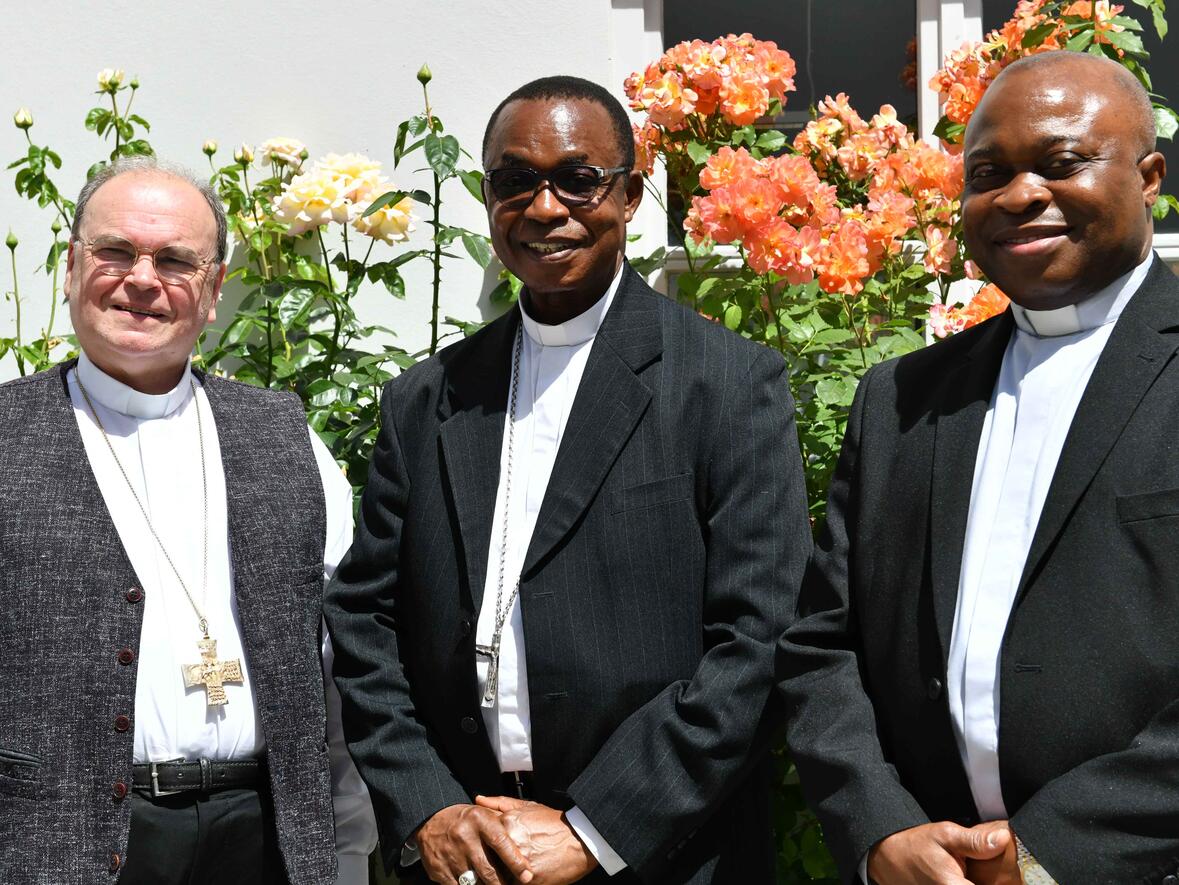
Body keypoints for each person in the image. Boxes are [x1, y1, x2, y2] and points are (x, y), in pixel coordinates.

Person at [324, 75, 811, 885]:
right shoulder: (429, 397)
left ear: (630, 194)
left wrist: (597, 828)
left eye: (578, 179)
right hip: (465, 850)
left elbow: (758, 640)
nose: (545, 208)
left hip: (660, 852)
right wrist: (428, 805)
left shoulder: (724, 383)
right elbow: (365, 621)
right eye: (515, 182)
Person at [779, 51, 1179, 884]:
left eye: (1061, 163)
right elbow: (824, 645)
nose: (1019, 194)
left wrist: (1043, 857)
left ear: (1148, 178)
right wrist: (879, 829)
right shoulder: (900, 396)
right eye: (988, 173)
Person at [0, 156, 376, 884]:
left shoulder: (288, 439)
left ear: (212, 292)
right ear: (72, 269)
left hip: (262, 839)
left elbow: (339, 669)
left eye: (175, 260)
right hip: (58, 847)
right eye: (115, 252)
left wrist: (348, 851)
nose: (142, 279)